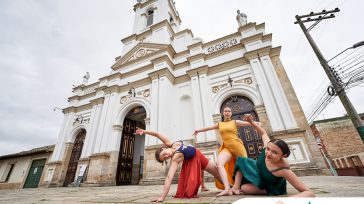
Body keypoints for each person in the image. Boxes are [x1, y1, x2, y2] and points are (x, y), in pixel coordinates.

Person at [231, 115, 315, 197]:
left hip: (272, 186)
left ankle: (264, 190)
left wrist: (286, 201)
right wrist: (251, 122)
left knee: (245, 188)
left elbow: (309, 192)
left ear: (283, 156)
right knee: (242, 160)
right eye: (268, 149)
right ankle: (235, 188)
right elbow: (263, 133)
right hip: (260, 174)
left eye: (275, 152)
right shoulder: (267, 148)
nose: (268, 153)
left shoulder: (283, 169)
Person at [134, 128, 222, 202]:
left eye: (164, 154)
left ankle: (204, 186)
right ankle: (230, 187)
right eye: (165, 158)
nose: (166, 156)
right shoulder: (175, 158)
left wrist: (144, 132)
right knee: (216, 175)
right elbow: (169, 177)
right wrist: (162, 197)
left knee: (217, 173)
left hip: (199, 155)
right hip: (193, 160)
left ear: (164, 148)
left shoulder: (170, 143)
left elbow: (157, 134)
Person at [193, 106, 252, 196]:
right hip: (227, 147)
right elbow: (209, 127)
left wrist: (255, 122)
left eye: (229, 111)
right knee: (219, 163)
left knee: (243, 165)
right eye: (225, 111)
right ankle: (227, 188)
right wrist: (198, 130)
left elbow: (250, 124)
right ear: (223, 113)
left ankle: (237, 187)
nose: (227, 112)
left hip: (237, 146)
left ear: (231, 113)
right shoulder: (220, 124)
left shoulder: (235, 122)